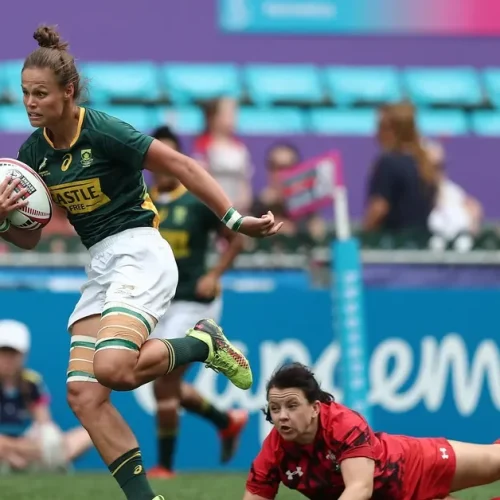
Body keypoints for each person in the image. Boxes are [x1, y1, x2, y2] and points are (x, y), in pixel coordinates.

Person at [0, 25, 281, 500]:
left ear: (68, 92)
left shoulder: (104, 131)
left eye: (41, 93)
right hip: (101, 267)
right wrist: (4, 220)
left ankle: (200, 344)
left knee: (113, 370)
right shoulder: (33, 155)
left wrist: (234, 219)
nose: (30, 102)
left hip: (140, 253)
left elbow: (184, 168)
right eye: (25, 93)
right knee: (85, 397)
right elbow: (28, 239)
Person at [147, 125, 248, 478]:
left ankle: (164, 465)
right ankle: (226, 420)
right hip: (158, 303)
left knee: (164, 379)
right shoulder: (141, 200)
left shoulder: (196, 200)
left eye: (169, 156)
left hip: (195, 303)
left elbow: (236, 239)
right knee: (164, 380)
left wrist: (214, 274)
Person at [244, 362, 500, 500]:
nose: (282, 416)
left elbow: (360, 489)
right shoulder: (273, 453)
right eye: (275, 408)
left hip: (415, 464)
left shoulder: (343, 424)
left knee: (496, 460)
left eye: (292, 405)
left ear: (315, 408)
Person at [0, 319, 92, 473]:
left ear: (23, 355)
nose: (8, 360)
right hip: (12, 446)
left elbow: (44, 424)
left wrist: (29, 447)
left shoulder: (31, 382)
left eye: (13, 354)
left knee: (84, 435)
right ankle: (45, 464)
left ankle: (31, 463)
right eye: (3, 353)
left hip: (27, 444)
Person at [363, 102, 438, 233]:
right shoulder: (424, 162)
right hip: (421, 243)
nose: (376, 132)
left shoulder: (388, 162)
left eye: (381, 127)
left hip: (393, 245)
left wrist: (364, 234)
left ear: (394, 130)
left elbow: (379, 207)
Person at [193, 97, 254, 213]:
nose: (233, 119)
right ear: (213, 117)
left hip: (238, 210)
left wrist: (242, 204)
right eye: (228, 114)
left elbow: (245, 182)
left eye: (234, 114)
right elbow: (200, 181)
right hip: (212, 210)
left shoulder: (240, 148)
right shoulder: (202, 145)